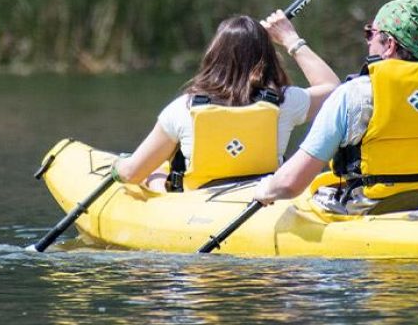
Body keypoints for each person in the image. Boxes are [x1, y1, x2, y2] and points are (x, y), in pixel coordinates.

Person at [251, 0, 418, 214]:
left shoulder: (351, 95)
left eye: (371, 34)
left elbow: (290, 183)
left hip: (373, 210)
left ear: (389, 44)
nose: (367, 40)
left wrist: (265, 190)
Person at [111, 11, 339, 191]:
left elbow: (132, 173)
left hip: (199, 209)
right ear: (269, 58)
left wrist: (116, 166)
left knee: (156, 174)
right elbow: (333, 90)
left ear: (213, 56)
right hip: (263, 201)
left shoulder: (183, 108)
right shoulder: (285, 101)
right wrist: (292, 39)